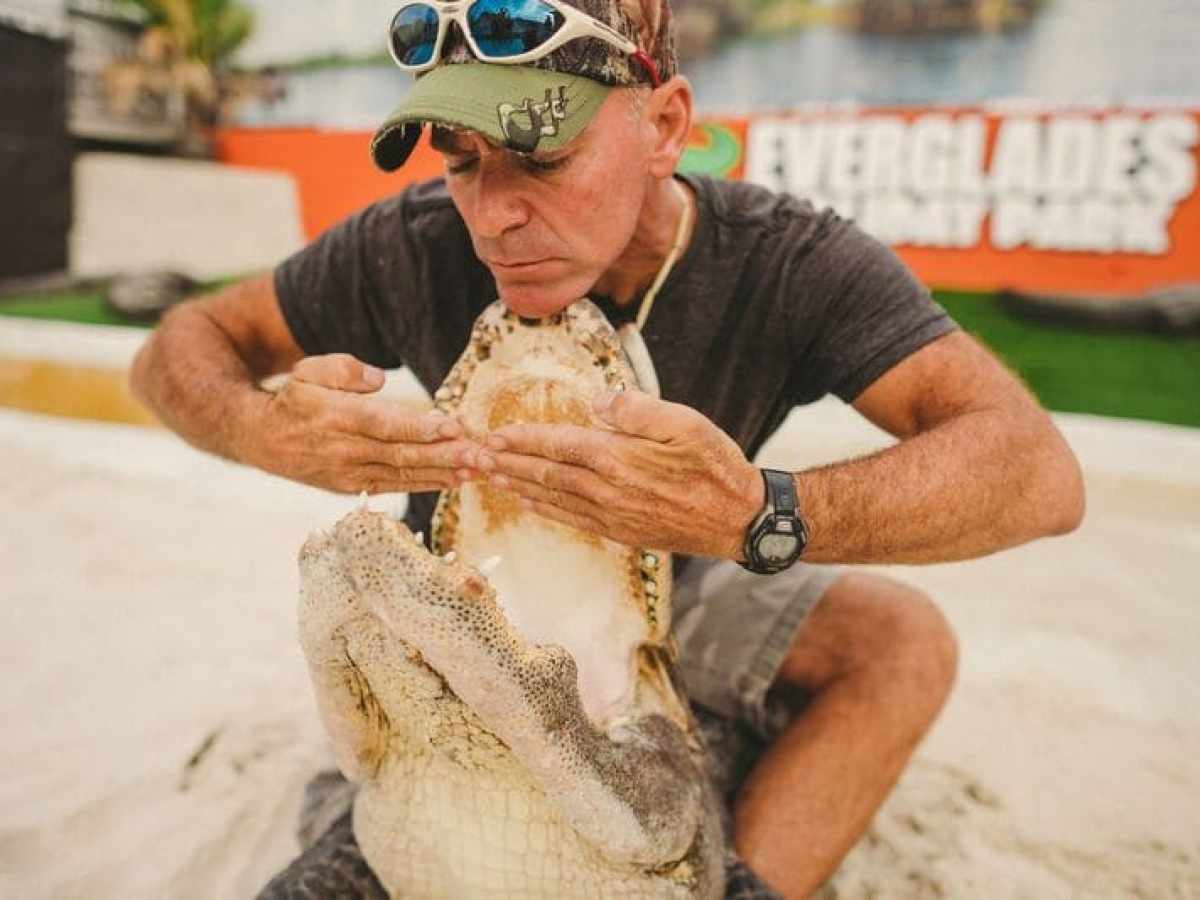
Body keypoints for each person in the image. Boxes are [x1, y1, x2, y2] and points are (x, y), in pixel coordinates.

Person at [130, 0, 1085, 895]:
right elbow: (179, 351)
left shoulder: (785, 260)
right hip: (470, 617)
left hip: (683, 567)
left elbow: (1036, 472)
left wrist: (758, 513)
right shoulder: (412, 243)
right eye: (460, 158)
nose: (492, 214)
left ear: (665, 126)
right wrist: (266, 428)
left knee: (902, 641)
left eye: (539, 156)